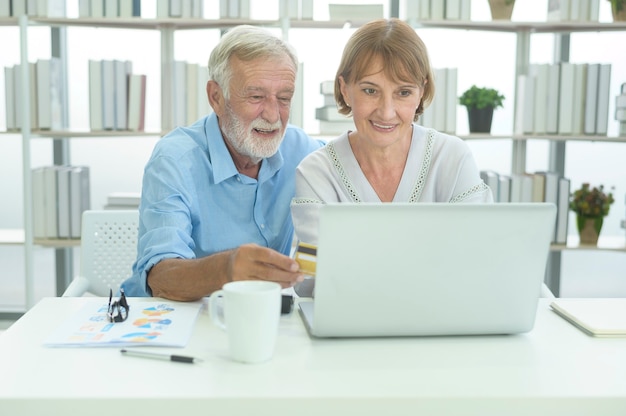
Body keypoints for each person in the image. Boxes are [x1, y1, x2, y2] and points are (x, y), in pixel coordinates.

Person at [290, 18, 493, 296]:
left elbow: (478, 261)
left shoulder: (452, 159)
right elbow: (320, 280)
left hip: (441, 322)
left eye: (403, 92)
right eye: (370, 90)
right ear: (345, 89)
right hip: (349, 327)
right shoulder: (316, 173)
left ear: (421, 93)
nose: (386, 112)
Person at [121, 25, 324, 300]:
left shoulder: (303, 150)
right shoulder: (174, 160)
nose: (273, 115)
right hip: (174, 320)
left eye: (284, 98)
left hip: (258, 317)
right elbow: (160, 279)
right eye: (255, 97)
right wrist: (226, 270)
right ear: (216, 97)